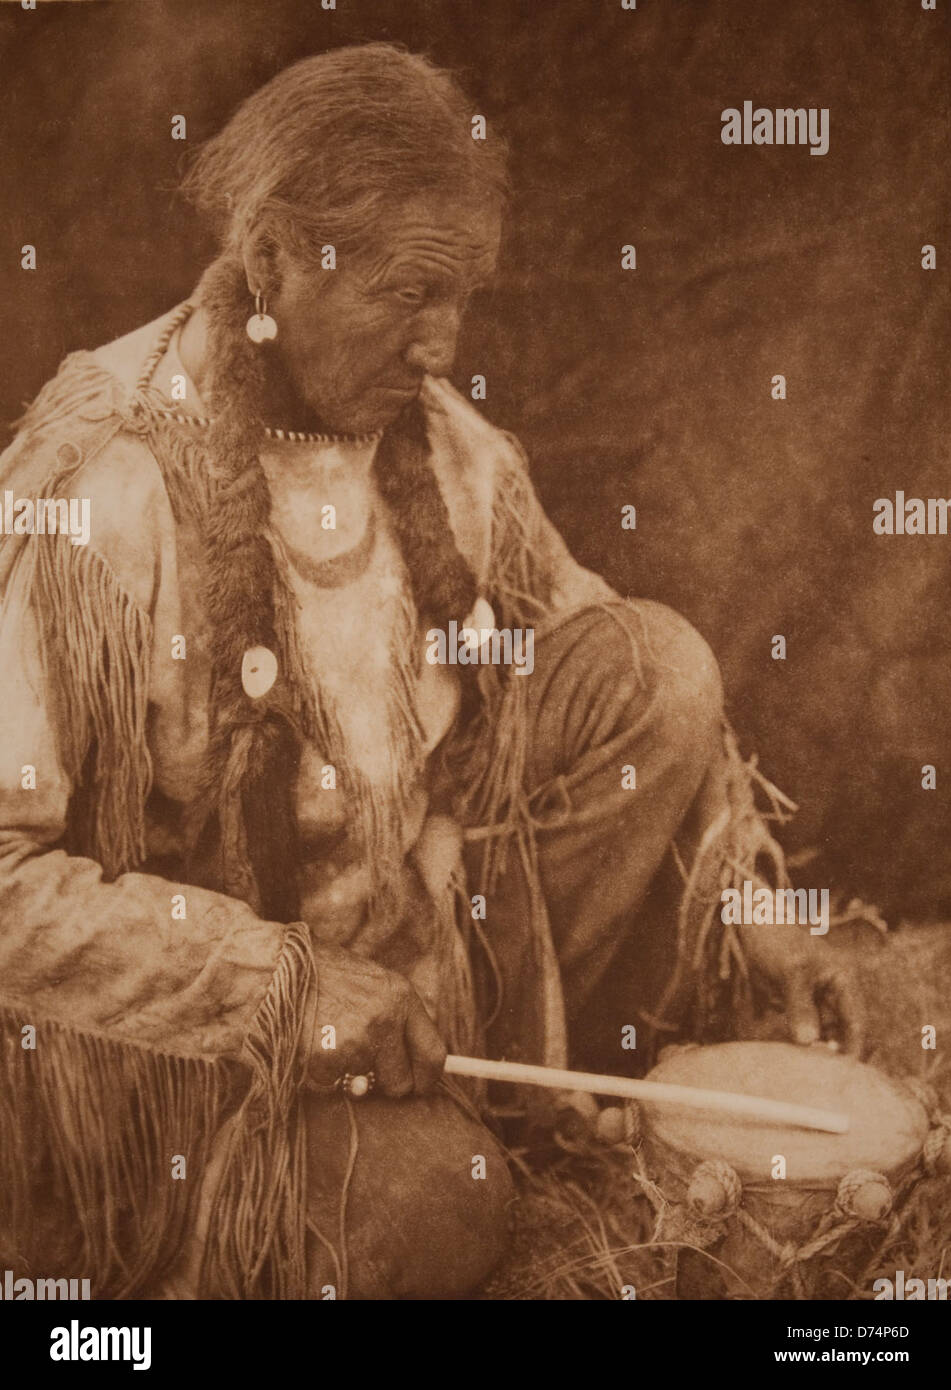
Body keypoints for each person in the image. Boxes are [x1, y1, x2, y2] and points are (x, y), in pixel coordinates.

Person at [0, 43, 860, 1300]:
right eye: (409, 293)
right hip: (179, 1051)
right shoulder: (108, 487)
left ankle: (482, 1070)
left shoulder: (445, 452)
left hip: (410, 958)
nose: (440, 342)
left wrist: (750, 909)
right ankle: (203, 1222)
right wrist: (274, 991)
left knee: (657, 671)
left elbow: (581, 641)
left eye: (461, 296)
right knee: (437, 1210)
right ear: (275, 260)